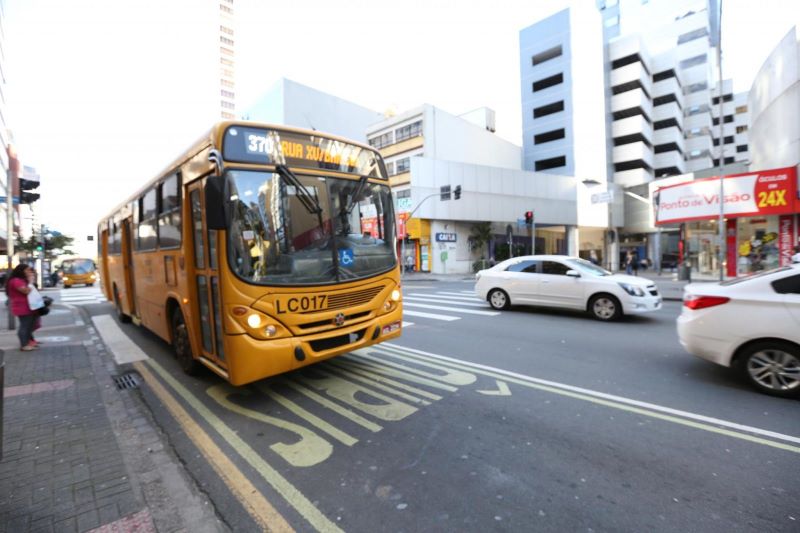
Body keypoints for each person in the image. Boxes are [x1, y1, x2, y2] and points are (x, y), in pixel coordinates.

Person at [6, 263, 38, 351]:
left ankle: (28, 342)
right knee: (25, 326)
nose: (29, 271)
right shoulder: (16, 281)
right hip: (22, 306)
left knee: (29, 325)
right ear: (21, 271)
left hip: (29, 306)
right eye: (27, 270)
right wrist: (31, 282)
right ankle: (24, 344)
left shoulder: (22, 280)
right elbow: (26, 291)